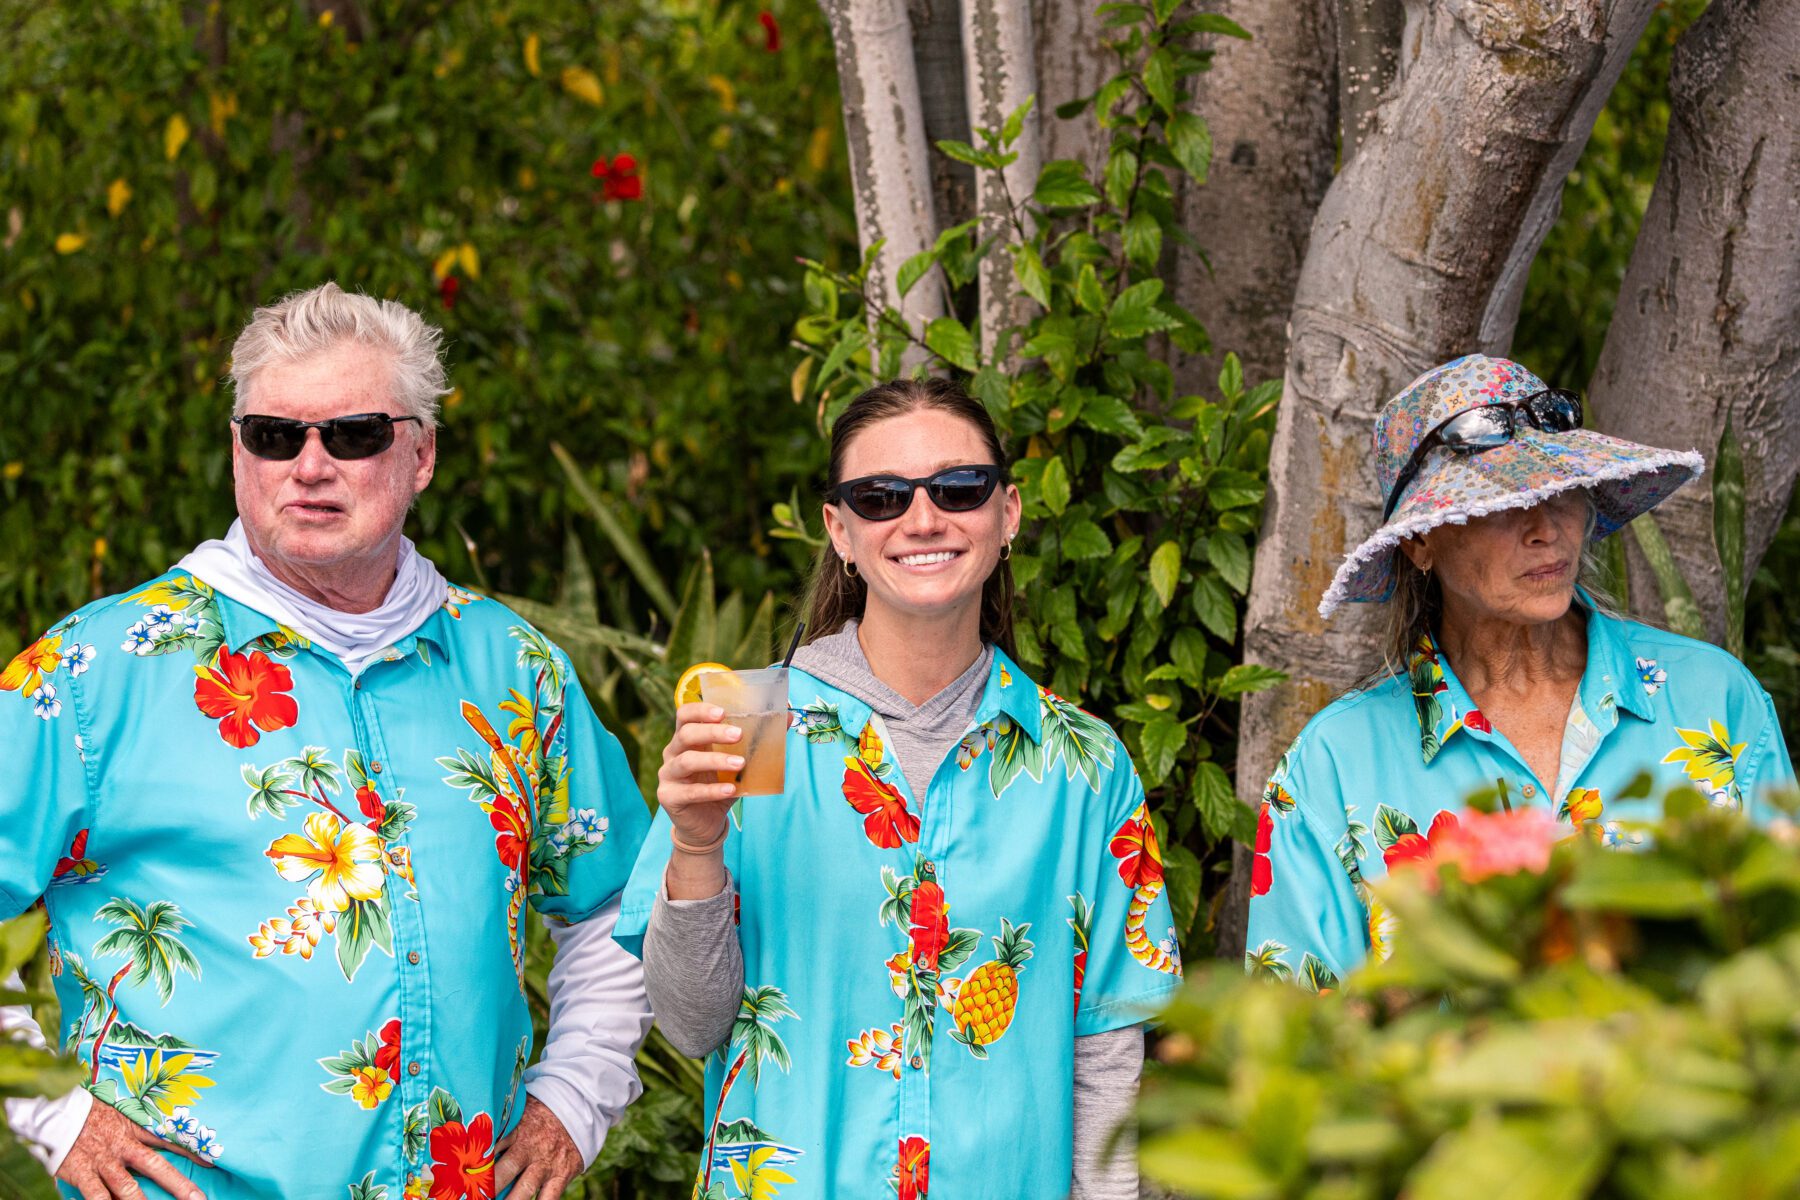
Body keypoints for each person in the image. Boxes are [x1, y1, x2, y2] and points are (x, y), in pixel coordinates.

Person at [0, 283, 653, 1200]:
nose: (310, 466)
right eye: (276, 435)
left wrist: (575, 1097)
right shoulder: (91, 671)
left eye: (354, 435)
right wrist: (53, 1110)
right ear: (239, 451)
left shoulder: (515, 668)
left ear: (421, 454)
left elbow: (616, 903)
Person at [614, 379, 1184, 1199]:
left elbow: (1104, 1061)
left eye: (959, 488)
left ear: (1008, 514)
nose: (923, 519)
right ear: (839, 531)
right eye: (881, 497)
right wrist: (697, 845)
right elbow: (691, 1025)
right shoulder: (747, 724)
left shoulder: (1083, 766)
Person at [1245, 353, 1796, 987]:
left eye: (1562, 490)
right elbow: (1298, 1029)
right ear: (1420, 540)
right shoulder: (1335, 765)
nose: (1546, 530)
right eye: (1503, 502)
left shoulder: (1713, 698)